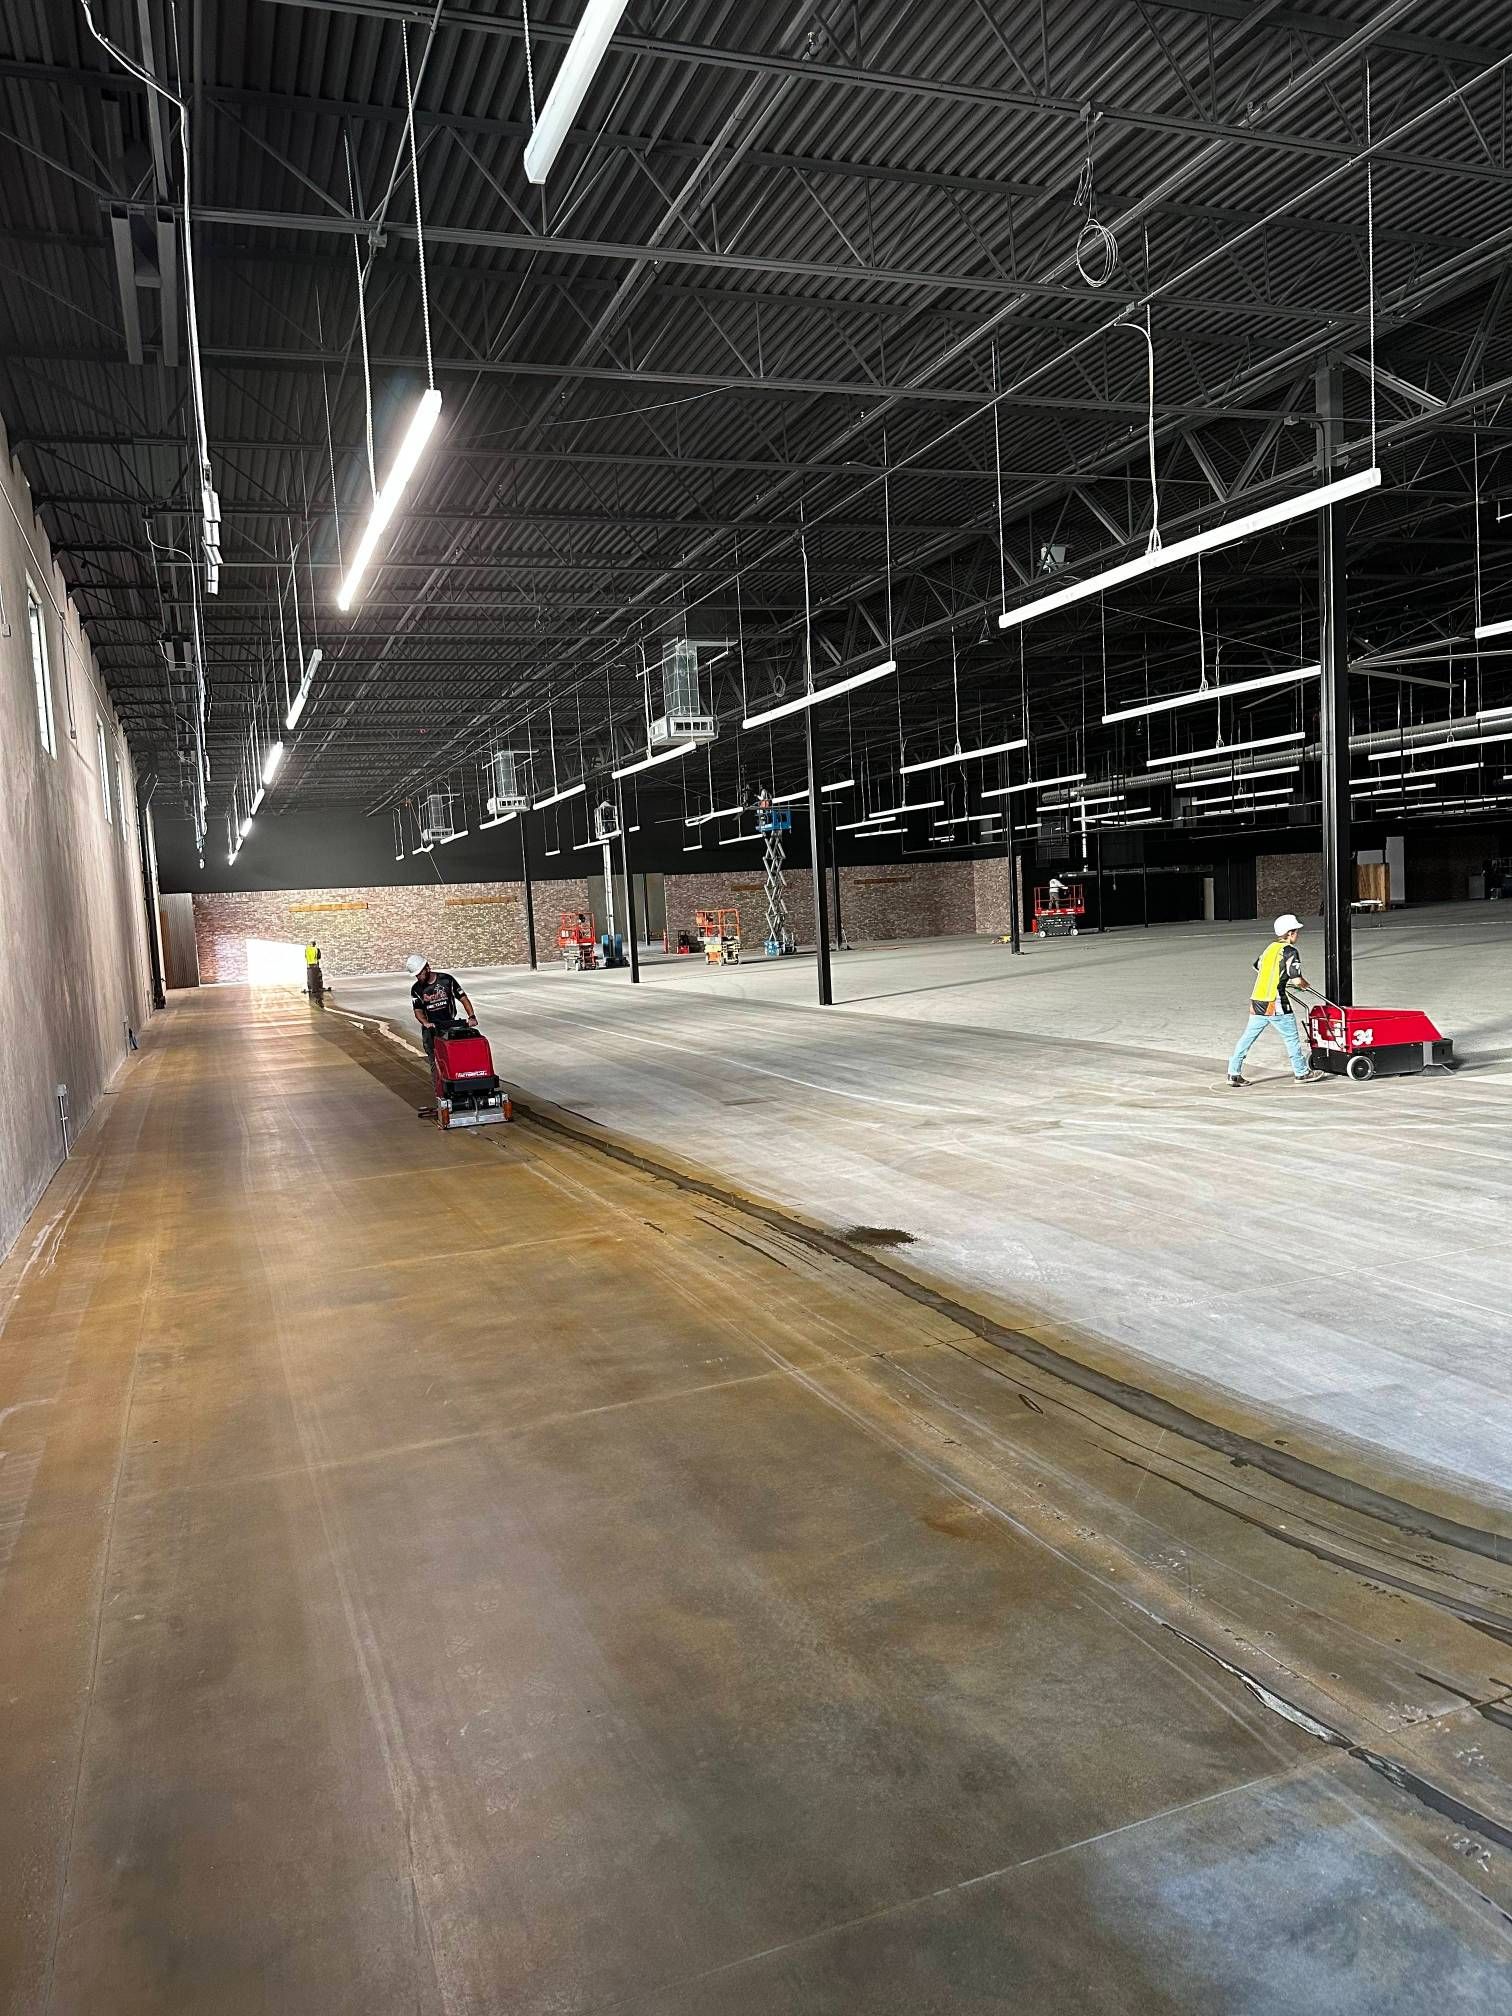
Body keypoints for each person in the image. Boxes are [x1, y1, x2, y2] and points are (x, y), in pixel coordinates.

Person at [1227, 914, 1325, 1086]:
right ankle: (1301, 1073)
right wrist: (1304, 985)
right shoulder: (1290, 951)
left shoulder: (1270, 948)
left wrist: (1275, 978)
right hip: (1276, 1002)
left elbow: (1257, 966)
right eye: (1296, 931)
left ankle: (1233, 1073)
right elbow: (1296, 979)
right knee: (1291, 1038)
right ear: (1290, 933)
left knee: (1247, 1038)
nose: (1297, 935)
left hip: (1257, 1000)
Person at [406, 955, 476, 1064]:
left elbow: (463, 998)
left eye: (420, 974)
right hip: (431, 1029)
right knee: (435, 1061)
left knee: (454, 1058)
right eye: (416, 975)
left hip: (450, 1025)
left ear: (427, 968)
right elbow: (418, 1010)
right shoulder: (416, 989)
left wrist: (471, 1016)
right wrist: (425, 1022)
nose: (418, 977)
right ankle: (437, 1080)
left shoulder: (446, 980)